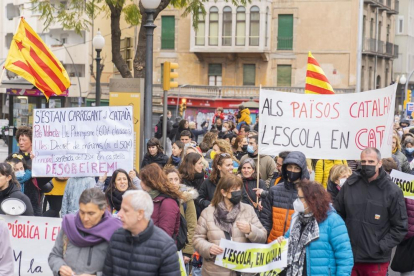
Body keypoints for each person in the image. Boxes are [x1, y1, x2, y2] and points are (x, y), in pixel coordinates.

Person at [334, 147, 408, 276]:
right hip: (349, 257)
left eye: (371, 162)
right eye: (363, 162)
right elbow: (337, 214)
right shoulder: (350, 185)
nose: (366, 165)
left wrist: (380, 246)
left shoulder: (392, 191)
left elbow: (400, 227)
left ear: (379, 163)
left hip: (375, 261)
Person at [193, 174, 267, 275]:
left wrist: (251, 230)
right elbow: (197, 238)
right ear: (223, 192)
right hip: (216, 271)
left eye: (239, 189)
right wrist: (208, 248)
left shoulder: (248, 210)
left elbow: (263, 236)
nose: (238, 192)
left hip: (242, 270)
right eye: (234, 189)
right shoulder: (208, 212)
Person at [277, 181, 353, 275]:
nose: (296, 201)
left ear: (312, 200)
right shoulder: (296, 219)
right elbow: (288, 240)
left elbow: (345, 258)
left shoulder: (333, 221)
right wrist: (282, 241)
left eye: (300, 198)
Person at [103, 190, 180, 276]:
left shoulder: (165, 246)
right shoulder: (116, 238)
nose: (119, 214)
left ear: (140, 214)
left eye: (125, 210)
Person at [49, 188, 122, 276]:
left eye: (91, 213)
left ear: (103, 210)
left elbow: (120, 268)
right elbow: (54, 255)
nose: (85, 218)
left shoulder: (114, 231)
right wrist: (60, 267)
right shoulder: (69, 225)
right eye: (82, 212)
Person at [260, 151, 310, 243]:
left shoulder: (308, 192)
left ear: (302, 170)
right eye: (290, 167)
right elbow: (266, 219)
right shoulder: (274, 190)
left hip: (295, 246)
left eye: (296, 168)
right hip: (273, 244)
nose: (292, 171)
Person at [165, 167, 198, 274]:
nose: (174, 182)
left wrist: (188, 252)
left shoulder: (186, 198)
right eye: (170, 179)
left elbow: (192, 225)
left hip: (181, 248)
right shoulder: (160, 198)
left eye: (176, 179)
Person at [140, 163, 181, 238]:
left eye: (142, 180)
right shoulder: (151, 199)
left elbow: (165, 234)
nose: (140, 183)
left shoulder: (167, 202)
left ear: (149, 181)